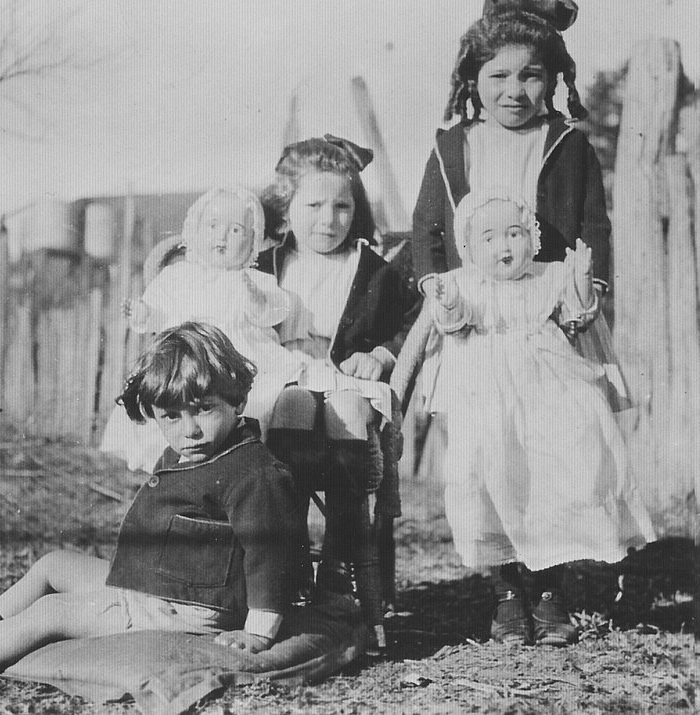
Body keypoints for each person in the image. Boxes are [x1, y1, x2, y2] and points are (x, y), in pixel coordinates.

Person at [0, 322, 310, 679]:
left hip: (183, 610)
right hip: (153, 586)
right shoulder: (196, 449)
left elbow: (271, 555)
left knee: (52, 613)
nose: (189, 429)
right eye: (171, 417)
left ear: (236, 400)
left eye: (205, 409)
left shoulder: (252, 473)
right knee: (54, 564)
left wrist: (258, 633)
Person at [427, 188, 655, 646]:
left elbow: (579, 316)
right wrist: (448, 303)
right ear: (469, 248)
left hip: (551, 394)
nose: (504, 246)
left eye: (514, 233)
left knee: (556, 478)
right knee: (489, 481)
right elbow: (453, 322)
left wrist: (582, 281)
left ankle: (552, 590)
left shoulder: (549, 275)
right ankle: (507, 592)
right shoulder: (466, 283)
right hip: (489, 403)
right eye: (488, 238)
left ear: (531, 237)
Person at [256, 135, 418, 598]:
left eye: (342, 207)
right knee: (289, 406)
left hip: (344, 379)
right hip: (280, 376)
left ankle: (338, 560)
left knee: (346, 412)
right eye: (314, 206)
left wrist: (381, 354)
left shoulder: (369, 266)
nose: (329, 220)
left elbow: (409, 320)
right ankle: (285, 555)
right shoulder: (265, 264)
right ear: (287, 209)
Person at [100, 185, 305, 472]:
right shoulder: (177, 276)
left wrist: (257, 298)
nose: (222, 236)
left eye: (235, 230)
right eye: (213, 225)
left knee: (259, 401)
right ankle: (176, 466)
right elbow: (158, 317)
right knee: (168, 398)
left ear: (253, 240)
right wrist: (144, 312)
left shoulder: (255, 280)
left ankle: (237, 463)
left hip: (236, 363)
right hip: (185, 362)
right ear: (196, 230)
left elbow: (273, 312)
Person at [411, 4, 610, 300]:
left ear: (551, 78)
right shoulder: (452, 149)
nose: (515, 90)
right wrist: (436, 287)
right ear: (473, 80)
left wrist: (590, 286)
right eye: (499, 76)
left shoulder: (569, 145)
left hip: (551, 301)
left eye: (530, 75)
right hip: (472, 307)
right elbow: (426, 229)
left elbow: (594, 224)